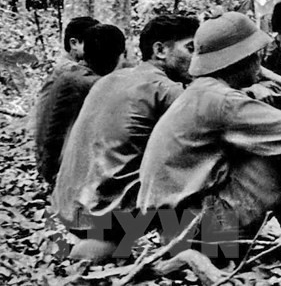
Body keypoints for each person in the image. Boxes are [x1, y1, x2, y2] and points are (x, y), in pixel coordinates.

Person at [138, 12, 281, 258]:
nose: (260, 61)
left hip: (175, 232)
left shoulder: (201, 92)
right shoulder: (221, 100)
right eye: (256, 54)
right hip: (198, 235)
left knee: (277, 147)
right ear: (243, 59)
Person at [51, 15, 199, 261]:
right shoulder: (163, 88)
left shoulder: (110, 79)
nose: (197, 59)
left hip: (66, 203)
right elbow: (217, 112)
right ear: (160, 50)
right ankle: (208, 251)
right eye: (191, 48)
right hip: (101, 212)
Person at [33, 22, 126, 186]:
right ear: (119, 56)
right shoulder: (91, 84)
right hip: (64, 174)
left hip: (53, 166)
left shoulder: (74, 75)